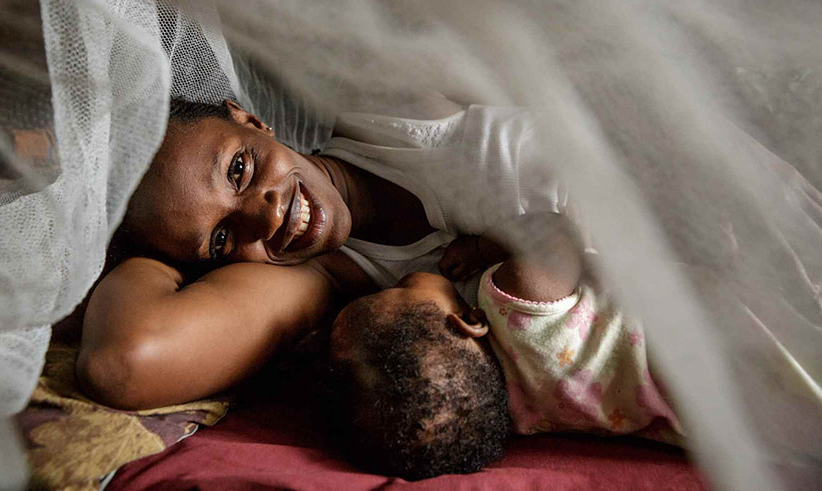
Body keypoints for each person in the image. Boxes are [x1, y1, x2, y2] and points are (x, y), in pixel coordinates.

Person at [78, 96, 563, 409]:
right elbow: (124, 363)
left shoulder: (393, 108)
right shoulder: (311, 282)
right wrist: (154, 248)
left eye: (238, 170)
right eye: (222, 237)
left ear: (252, 120)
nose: (265, 218)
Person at [326, 214, 682, 479]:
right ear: (470, 322)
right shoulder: (513, 300)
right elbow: (558, 235)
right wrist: (483, 247)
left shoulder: (522, 419)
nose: (396, 280)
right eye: (400, 287)